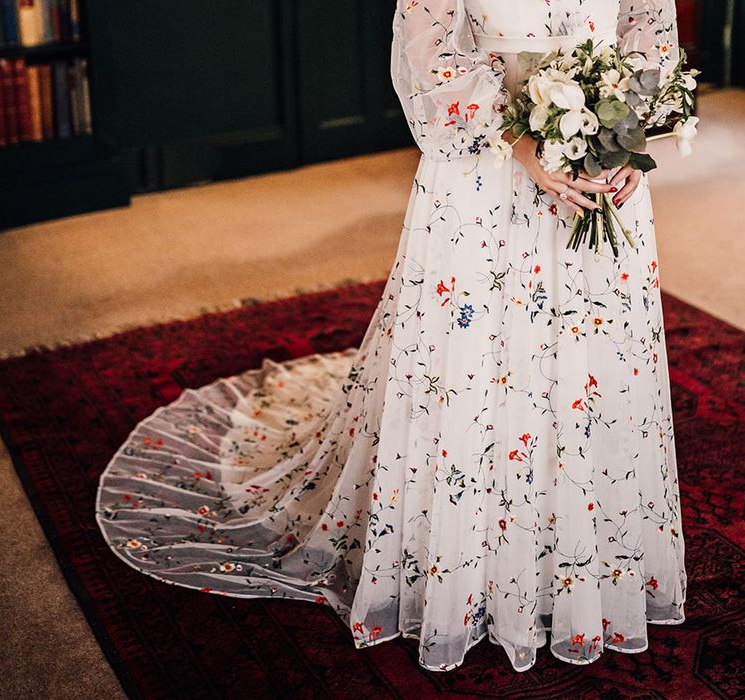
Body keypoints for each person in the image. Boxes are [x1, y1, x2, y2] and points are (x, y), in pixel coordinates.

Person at [96, 0, 687, 672]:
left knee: (588, 363)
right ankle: (477, 562)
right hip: (491, 168)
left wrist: (630, 132)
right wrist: (523, 145)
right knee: (483, 371)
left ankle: (579, 560)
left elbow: (647, 24)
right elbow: (429, 49)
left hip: (603, 168)